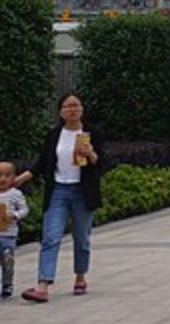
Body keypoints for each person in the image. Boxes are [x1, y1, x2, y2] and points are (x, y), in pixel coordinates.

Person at [14, 92, 106, 303]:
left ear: (82, 109)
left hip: (82, 193)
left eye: (76, 105)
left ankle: (80, 276)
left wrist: (91, 153)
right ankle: (43, 285)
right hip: (58, 192)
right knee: (50, 237)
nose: (72, 110)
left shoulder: (92, 133)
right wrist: (22, 178)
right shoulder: (54, 135)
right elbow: (43, 162)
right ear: (60, 112)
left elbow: (101, 164)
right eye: (67, 106)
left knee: (81, 239)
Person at [0, 161, 32, 300]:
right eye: (0, 175)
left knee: (7, 260)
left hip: (8, 235)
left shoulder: (15, 194)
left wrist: (14, 215)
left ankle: (7, 284)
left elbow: (25, 209)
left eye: (7, 175)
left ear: (14, 178)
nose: (2, 179)